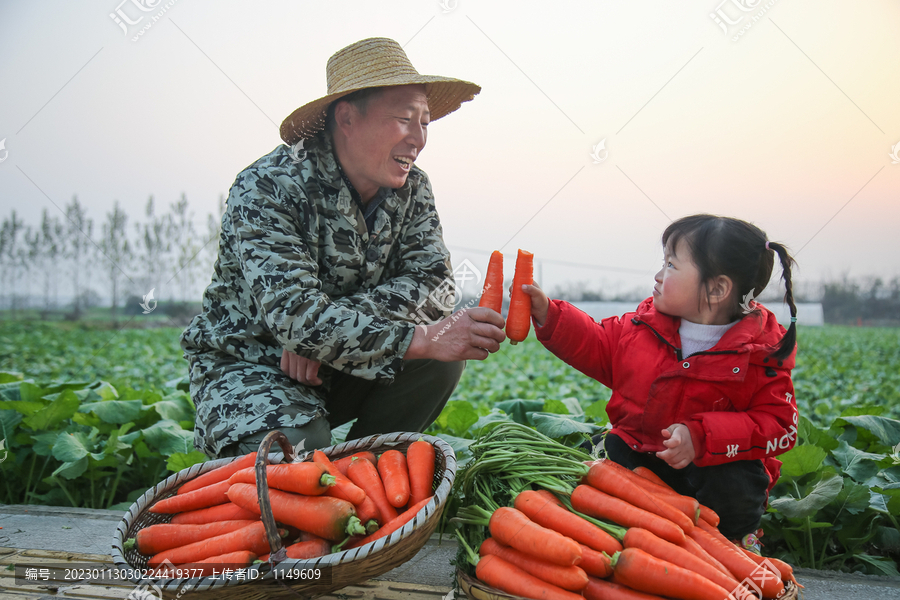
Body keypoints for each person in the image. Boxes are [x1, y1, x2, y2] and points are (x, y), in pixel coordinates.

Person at [180, 38, 506, 459]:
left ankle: (371, 479)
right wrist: (416, 338)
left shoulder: (414, 187)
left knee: (440, 362)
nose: (418, 139)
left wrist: (323, 335)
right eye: (405, 119)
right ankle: (312, 483)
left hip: (342, 363)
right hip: (252, 367)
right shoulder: (268, 186)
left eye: (425, 122)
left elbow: (437, 288)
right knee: (301, 453)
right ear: (347, 117)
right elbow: (295, 315)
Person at [520, 214, 799, 551]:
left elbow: (780, 425)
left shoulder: (758, 356)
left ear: (716, 289)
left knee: (735, 480)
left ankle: (729, 546)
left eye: (671, 265)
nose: (658, 275)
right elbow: (596, 344)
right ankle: (624, 533)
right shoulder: (641, 328)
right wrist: (550, 315)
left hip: (708, 476)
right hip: (642, 453)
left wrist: (701, 437)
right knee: (597, 456)